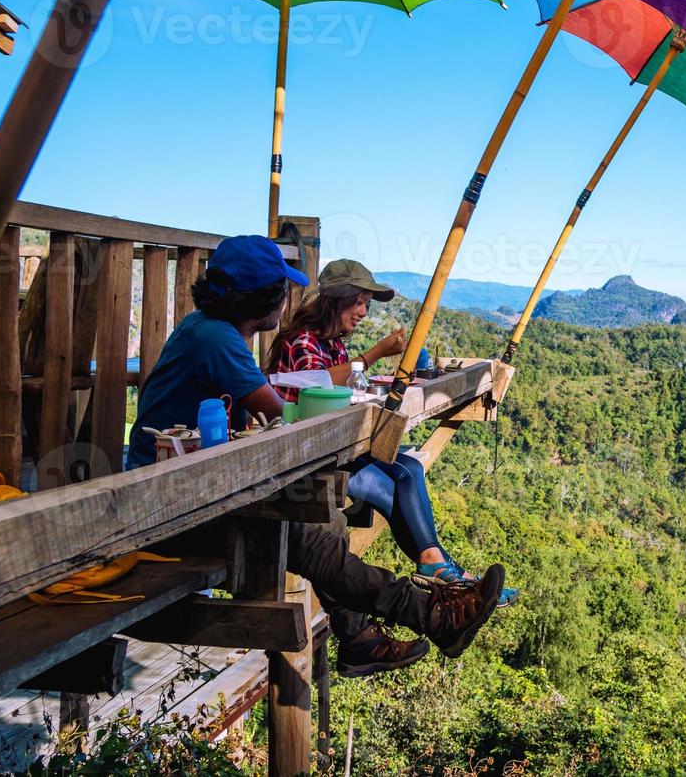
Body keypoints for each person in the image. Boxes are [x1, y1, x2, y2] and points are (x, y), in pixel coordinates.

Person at [129, 236, 502, 675]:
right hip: (171, 506)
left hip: (189, 485)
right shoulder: (217, 340)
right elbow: (281, 412)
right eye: (282, 288)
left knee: (325, 520)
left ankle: (364, 637)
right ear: (264, 296)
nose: (287, 298)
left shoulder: (209, 331)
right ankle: (432, 615)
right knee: (306, 533)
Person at [264, 259, 518, 606]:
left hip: (336, 448)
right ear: (338, 298)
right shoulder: (301, 341)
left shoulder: (332, 343)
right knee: (390, 481)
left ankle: (442, 569)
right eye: (360, 302)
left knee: (410, 468)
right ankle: (445, 573)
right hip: (305, 458)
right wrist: (376, 353)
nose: (364, 312)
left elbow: (342, 388)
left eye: (367, 304)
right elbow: (318, 385)